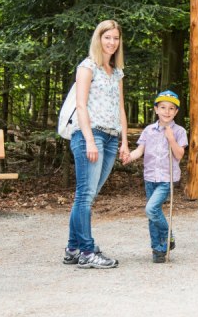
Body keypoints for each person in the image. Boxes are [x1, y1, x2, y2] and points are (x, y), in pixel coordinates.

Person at [63, 19, 130, 269]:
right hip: (90, 136)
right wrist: (90, 140)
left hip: (112, 138)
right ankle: (87, 252)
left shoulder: (117, 72)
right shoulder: (87, 67)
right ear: (98, 39)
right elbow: (81, 105)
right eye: (107, 37)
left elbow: (120, 108)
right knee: (85, 195)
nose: (112, 42)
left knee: (88, 196)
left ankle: (73, 248)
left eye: (115, 38)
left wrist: (124, 141)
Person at [123, 90, 188, 263]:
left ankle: (167, 237)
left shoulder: (179, 131)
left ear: (176, 112)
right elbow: (140, 150)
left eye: (171, 108)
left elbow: (180, 154)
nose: (167, 111)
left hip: (167, 179)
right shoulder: (148, 130)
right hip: (150, 177)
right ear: (156, 109)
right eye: (163, 107)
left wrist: (171, 138)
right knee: (153, 214)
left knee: (151, 209)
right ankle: (158, 249)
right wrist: (130, 156)